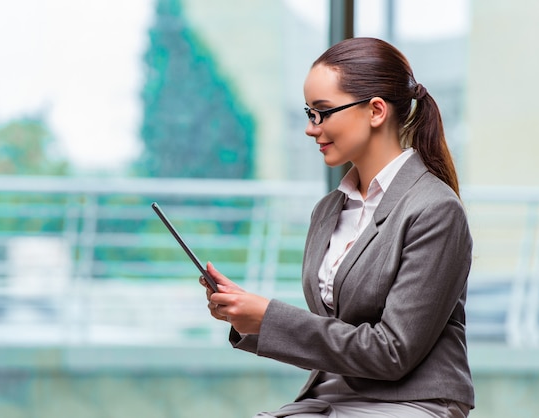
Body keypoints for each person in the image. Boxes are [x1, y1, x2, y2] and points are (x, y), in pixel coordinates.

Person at [200, 37, 474, 417]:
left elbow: (392, 352)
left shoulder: (435, 209)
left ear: (376, 110)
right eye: (309, 114)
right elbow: (335, 334)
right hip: (333, 398)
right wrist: (246, 317)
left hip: (412, 402)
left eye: (323, 112)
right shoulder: (328, 210)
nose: (312, 129)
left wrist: (269, 317)